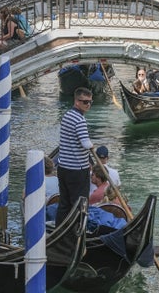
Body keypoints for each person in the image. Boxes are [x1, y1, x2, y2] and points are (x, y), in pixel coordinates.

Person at [56, 87, 95, 226]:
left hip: (63, 167)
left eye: (90, 102)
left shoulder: (67, 115)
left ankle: (60, 229)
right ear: (77, 101)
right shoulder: (80, 120)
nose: (88, 105)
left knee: (64, 203)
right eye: (85, 102)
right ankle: (77, 234)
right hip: (77, 170)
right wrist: (92, 145)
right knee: (80, 205)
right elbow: (85, 144)